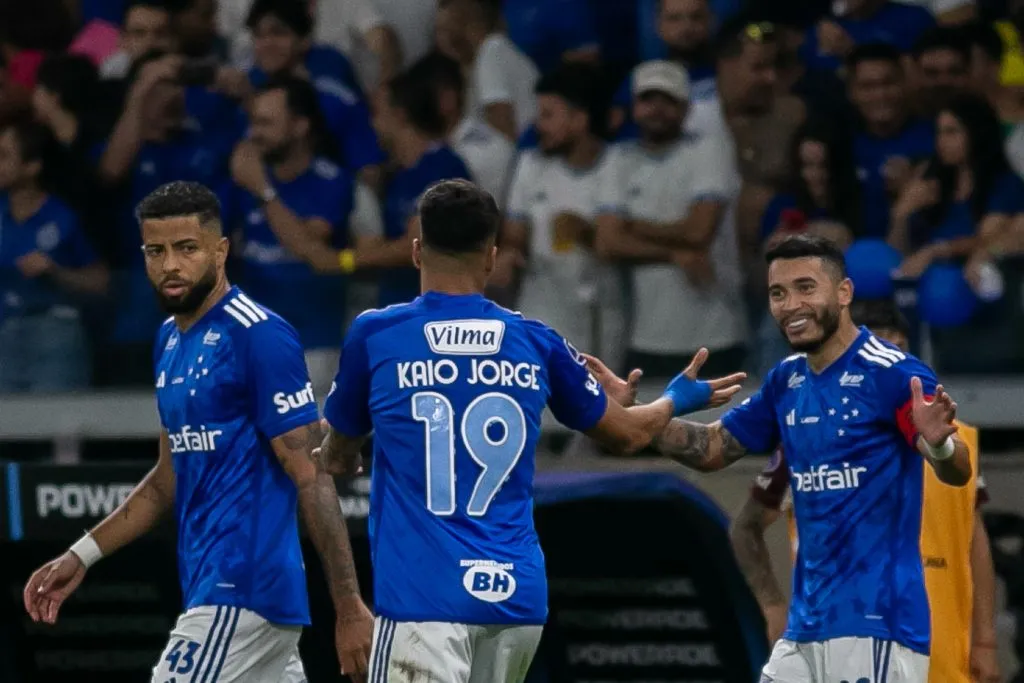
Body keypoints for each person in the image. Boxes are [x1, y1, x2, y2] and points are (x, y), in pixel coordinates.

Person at [313, 178, 746, 682]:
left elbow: (338, 453)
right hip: (514, 604)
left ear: (415, 252)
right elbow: (627, 435)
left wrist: (343, 451)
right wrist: (677, 399)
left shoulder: (377, 333)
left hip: (423, 602)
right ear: (492, 258)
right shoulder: (536, 341)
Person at [22, 181, 374, 682]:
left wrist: (350, 606)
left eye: (186, 249)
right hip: (223, 593)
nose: (170, 265)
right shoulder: (168, 340)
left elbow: (311, 475)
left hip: (242, 591)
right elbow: (168, 480)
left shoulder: (259, 335)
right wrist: (81, 555)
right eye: (155, 251)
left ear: (220, 249)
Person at [585, 234, 972, 682]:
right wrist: (632, 415)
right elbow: (711, 448)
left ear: (843, 293)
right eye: (777, 293)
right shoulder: (786, 381)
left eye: (806, 288)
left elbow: (955, 468)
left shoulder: (891, 374)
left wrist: (941, 444)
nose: (790, 305)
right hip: (805, 631)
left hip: (876, 625)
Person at [730, 298, 1001, 683]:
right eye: (878, 354)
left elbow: (975, 539)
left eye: (899, 351)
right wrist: (773, 607)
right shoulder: (808, 438)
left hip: (941, 649)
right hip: (843, 634)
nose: (890, 369)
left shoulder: (957, 442)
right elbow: (746, 525)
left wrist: (986, 641)